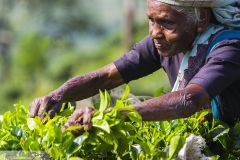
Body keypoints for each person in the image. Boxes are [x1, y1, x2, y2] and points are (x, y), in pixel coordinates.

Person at [30, 0, 240, 131]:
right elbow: (107, 76)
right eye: (151, 20)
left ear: (201, 18)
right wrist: (58, 95)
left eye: (167, 22)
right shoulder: (162, 42)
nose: (154, 33)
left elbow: (192, 99)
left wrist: (111, 115)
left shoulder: (229, 47)